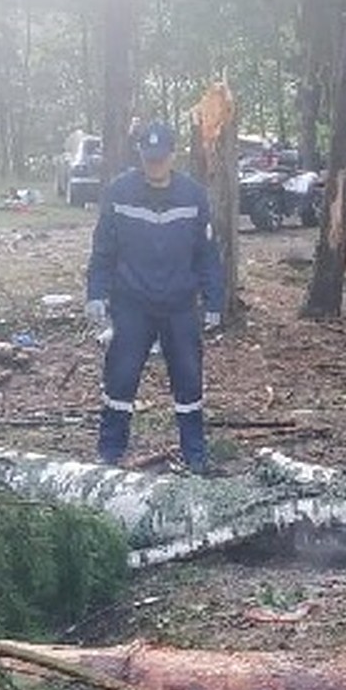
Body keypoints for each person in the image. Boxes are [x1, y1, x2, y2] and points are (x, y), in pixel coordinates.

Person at [85, 120, 225, 472]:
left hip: (179, 306)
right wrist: (96, 293)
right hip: (132, 303)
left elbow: (206, 253)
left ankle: (195, 456)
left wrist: (214, 299)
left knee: (189, 379)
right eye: (149, 159)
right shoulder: (119, 192)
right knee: (120, 377)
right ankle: (109, 452)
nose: (155, 166)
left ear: (173, 156)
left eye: (161, 159)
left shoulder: (193, 196)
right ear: (141, 156)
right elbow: (103, 249)